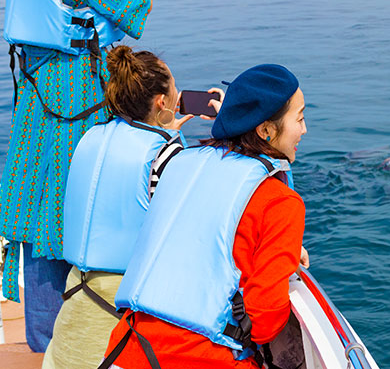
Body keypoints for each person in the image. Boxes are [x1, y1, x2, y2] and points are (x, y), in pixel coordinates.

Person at [0, 0, 154, 351]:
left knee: (40, 210)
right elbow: (134, 11)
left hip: (33, 92)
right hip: (78, 93)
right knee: (85, 203)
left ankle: (44, 340)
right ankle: (89, 338)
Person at [102, 64, 308, 369]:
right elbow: (265, 317)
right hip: (204, 358)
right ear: (265, 130)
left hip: (126, 348)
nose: (304, 130)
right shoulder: (279, 201)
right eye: (300, 118)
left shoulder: (181, 162)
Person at [42, 46, 223, 368]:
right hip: (119, 320)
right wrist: (224, 127)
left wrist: (165, 135)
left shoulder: (90, 137)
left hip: (75, 306)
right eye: (175, 90)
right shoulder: (164, 155)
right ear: (162, 102)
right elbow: (204, 225)